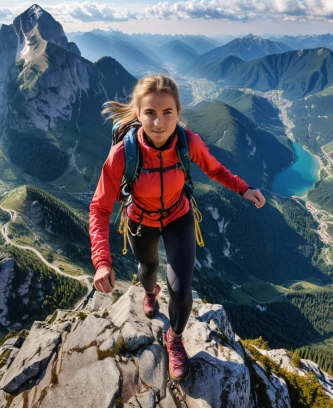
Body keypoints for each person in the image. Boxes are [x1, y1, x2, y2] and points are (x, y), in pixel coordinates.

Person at [89, 74, 266, 382]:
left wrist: (244, 189)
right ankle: (149, 292)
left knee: (181, 289)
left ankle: (175, 339)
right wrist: (102, 261)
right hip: (140, 220)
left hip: (178, 217)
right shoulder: (122, 155)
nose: (159, 122)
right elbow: (100, 207)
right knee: (148, 269)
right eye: (150, 113)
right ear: (139, 113)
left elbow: (214, 168)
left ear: (178, 112)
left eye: (167, 112)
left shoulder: (188, 142)